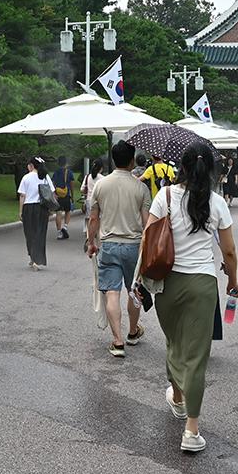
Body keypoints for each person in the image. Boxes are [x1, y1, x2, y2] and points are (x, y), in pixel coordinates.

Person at [143, 141, 237, 453]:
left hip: (167, 283)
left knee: (174, 343)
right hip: (202, 285)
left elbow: (149, 238)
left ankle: (178, 398)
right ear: (209, 169)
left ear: (181, 166)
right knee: (196, 357)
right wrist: (233, 281)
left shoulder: (164, 195)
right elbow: (230, 251)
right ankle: (191, 430)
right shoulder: (216, 202)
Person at [87, 140, 152, 357]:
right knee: (133, 291)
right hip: (134, 246)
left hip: (109, 244)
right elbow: (147, 223)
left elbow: (94, 218)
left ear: (114, 160)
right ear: (132, 160)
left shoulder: (101, 185)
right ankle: (133, 332)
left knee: (111, 292)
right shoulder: (140, 187)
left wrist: (91, 242)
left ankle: (117, 341)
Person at [17, 157, 51, 271]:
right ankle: (37, 259)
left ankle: (33, 257)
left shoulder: (26, 177)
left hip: (28, 207)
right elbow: (52, 192)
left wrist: (20, 211)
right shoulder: (45, 177)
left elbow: (22, 195)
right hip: (42, 208)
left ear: (31, 165)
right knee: (40, 233)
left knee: (29, 233)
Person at [51, 157, 76, 240]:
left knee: (58, 213)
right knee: (68, 211)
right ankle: (65, 227)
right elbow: (72, 185)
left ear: (58, 163)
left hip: (58, 195)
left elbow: (52, 184)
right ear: (66, 163)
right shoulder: (69, 172)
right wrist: (72, 196)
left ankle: (59, 233)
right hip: (66, 195)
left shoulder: (56, 172)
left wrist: (54, 193)